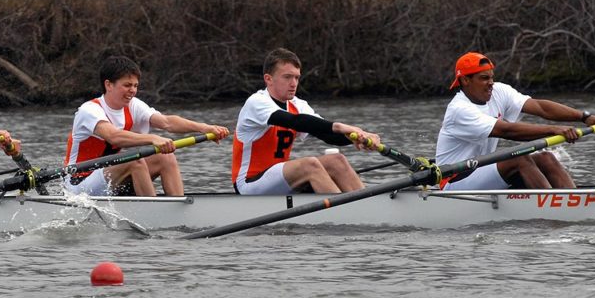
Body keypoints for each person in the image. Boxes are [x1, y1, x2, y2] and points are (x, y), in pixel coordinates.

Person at [436, 51, 595, 190]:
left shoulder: (499, 91)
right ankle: (555, 208)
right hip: (455, 180)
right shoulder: (459, 109)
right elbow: (507, 131)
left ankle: (573, 201)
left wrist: (585, 117)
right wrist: (554, 130)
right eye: (484, 78)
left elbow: (540, 107)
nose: (491, 83)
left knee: (546, 157)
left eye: (491, 77)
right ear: (465, 80)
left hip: (481, 171)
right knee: (519, 159)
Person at [63, 55, 230, 196]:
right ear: (108, 85)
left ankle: (178, 206)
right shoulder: (90, 110)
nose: (133, 90)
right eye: (127, 85)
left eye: (135, 85)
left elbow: (167, 122)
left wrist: (204, 128)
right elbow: (114, 136)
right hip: (79, 184)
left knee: (166, 157)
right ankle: (154, 212)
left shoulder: (133, 105)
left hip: (109, 178)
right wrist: (152, 138)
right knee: (135, 161)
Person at [232, 48, 382, 195]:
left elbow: (327, 134)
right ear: (268, 79)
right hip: (249, 183)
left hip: (279, 180)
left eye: (297, 77)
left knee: (336, 160)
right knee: (309, 164)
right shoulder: (256, 102)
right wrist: (341, 126)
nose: (293, 83)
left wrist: (360, 136)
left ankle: (366, 205)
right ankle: (342, 214)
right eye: (287, 77)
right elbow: (295, 121)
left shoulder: (298, 104)